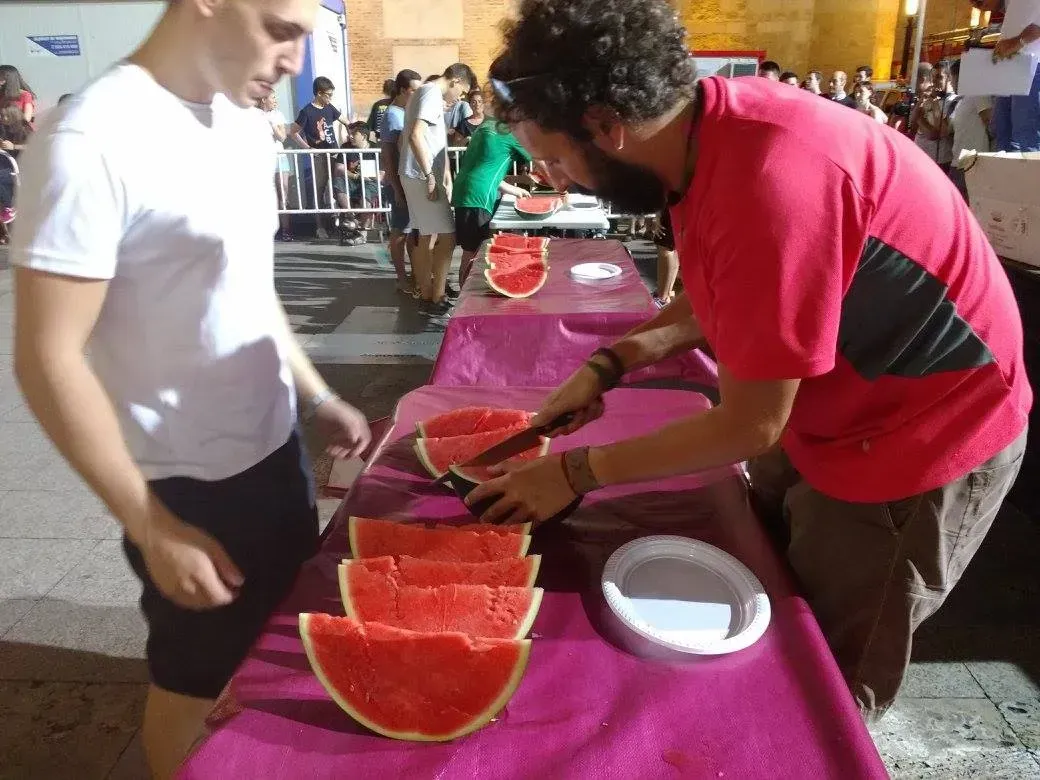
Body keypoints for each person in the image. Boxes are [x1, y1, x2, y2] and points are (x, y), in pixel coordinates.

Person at [479, 0, 1029, 723]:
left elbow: (749, 426)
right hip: (830, 409)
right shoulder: (703, 133)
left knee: (826, 680)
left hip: (918, 436)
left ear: (609, 125)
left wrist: (575, 471)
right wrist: (612, 363)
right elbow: (732, 292)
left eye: (554, 157)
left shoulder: (772, 181)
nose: (557, 179)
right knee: (761, 581)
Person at [9, 1, 372, 777]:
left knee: (274, 650)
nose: (294, 58)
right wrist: (150, 525)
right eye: (281, 28)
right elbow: (46, 357)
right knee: (193, 684)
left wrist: (315, 396)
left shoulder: (242, 123)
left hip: (277, 453)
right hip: (187, 488)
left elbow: (247, 286)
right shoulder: (90, 140)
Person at [400, 62, 477, 312]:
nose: (461, 97)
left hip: (416, 173)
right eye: (462, 91)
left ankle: (426, 291)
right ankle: (437, 295)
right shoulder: (432, 93)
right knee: (448, 236)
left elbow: (424, 137)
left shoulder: (424, 92)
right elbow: (416, 134)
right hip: (421, 175)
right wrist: (429, 174)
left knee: (425, 235)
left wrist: (443, 173)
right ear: (455, 80)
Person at [451, 116, 532, 284]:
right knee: (472, 253)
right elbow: (540, 159)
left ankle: (466, 300)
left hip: (463, 190)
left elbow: (486, 168)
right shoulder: (512, 134)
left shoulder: (485, 126)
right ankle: (464, 304)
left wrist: (514, 189)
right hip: (479, 196)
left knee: (471, 250)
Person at [970, 0, 1040, 151]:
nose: (975, 4)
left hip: (1031, 69)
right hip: (1011, 72)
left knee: (1025, 141)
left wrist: (1017, 42)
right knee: (1003, 137)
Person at [289, 76, 353, 238]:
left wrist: (351, 134)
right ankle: (320, 227)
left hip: (334, 153)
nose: (330, 98)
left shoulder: (330, 107)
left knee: (339, 186)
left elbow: (346, 121)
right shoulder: (307, 111)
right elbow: (293, 131)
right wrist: (307, 148)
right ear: (319, 93)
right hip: (319, 157)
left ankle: (345, 222)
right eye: (328, 95)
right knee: (320, 189)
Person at [380, 68, 423, 295]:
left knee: (409, 230)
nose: (417, 95)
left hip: (408, 181)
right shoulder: (392, 115)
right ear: (403, 90)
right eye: (414, 91)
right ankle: (401, 277)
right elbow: (387, 155)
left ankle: (414, 274)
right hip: (397, 182)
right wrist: (396, 188)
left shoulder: (406, 113)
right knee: (399, 231)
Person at [948, 58, 993, 200]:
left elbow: (989, 121)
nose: (950, 82)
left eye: (952, 78)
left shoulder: (978, 93)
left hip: (972, 164)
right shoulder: (961, 100)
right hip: (957, 163)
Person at [258, 92, 295, 241]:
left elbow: (282, 137)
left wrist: (272, 123)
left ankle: (286, 229)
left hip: (279, 157)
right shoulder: (253, 114)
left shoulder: (277, 115)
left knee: (283, 192)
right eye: (273, 98)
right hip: (262, 159)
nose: (275, 101)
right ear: (263, 99)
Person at [914, 63, 956, 172]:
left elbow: (942, 132)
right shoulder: (929, 97)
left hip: (940, 161)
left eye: (939, 77)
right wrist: (921, 101)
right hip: (920, 155)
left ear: (949, 78)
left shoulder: (953, 101)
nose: (935, 81)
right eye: (933, 78)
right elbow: (912, 121)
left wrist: (935, 104)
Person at [0, 105, 29, 245]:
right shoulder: (3, 130)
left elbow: (32, 146)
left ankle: (9, 207)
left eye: (5, 116)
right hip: (5, 164)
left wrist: (14, 146)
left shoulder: (24, 130)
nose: (3, 118)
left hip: (20, 167)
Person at [366, 78, 395, 143]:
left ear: (384, 91)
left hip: (380, 139)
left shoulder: (378, 104)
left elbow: (369, 126)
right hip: (395, 138)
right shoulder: (397, 104)